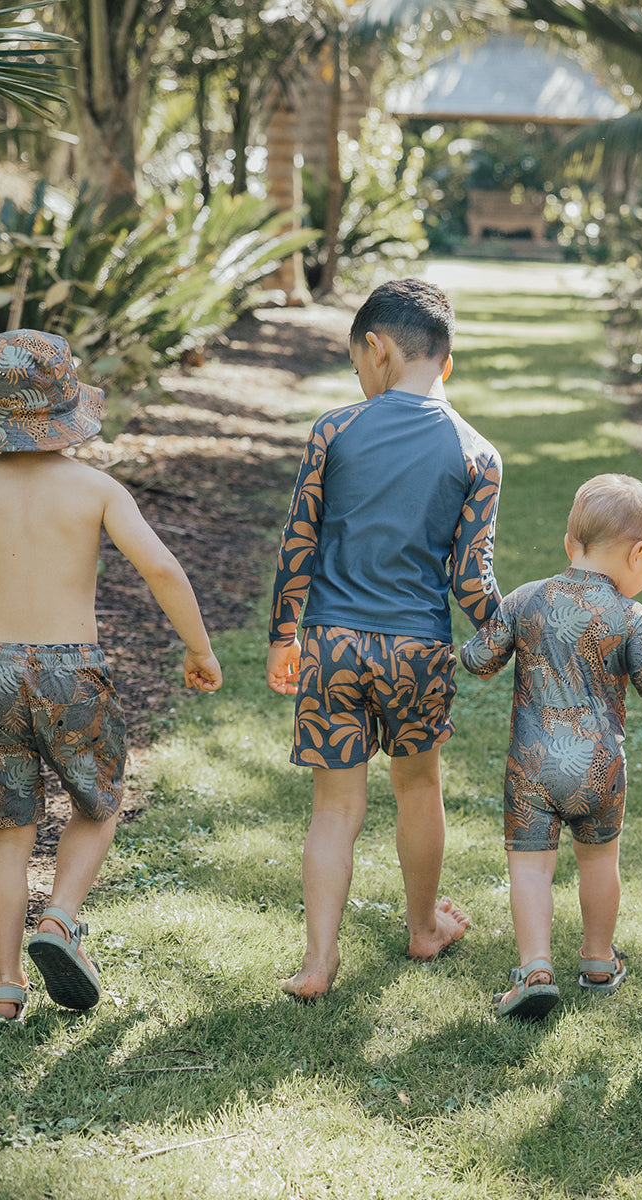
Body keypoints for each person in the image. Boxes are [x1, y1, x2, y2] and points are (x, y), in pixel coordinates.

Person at [0, 329, 222, 1024]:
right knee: (98, 802)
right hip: (71, 671)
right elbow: (162, 567)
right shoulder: (94, 488)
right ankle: (60, 920)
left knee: (5, 833)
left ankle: (3, 986)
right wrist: (199, 649)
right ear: (67, 409)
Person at [265, 278, 503, 1000]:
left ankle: (317, 960)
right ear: (447, 363)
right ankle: (425, 925)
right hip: (417, 650)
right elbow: (470, 577)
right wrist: (503, 635)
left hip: (332, 643)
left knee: (334, 808)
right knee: (418, 787)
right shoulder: (478, 453)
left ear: (376, 348)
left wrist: (284, 636)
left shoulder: (334, 430)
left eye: (356, 363)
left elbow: (297, 539)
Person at [460, 474, 642, 1020]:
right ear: (637, 554)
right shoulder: (631, 616)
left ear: (569, 545)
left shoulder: (528, 598)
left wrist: (492, 624)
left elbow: (478, 659)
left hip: (532, 766)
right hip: (599, 767)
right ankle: (598, 960)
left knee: (531, 869)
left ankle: (535, 967)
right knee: (599, 862)